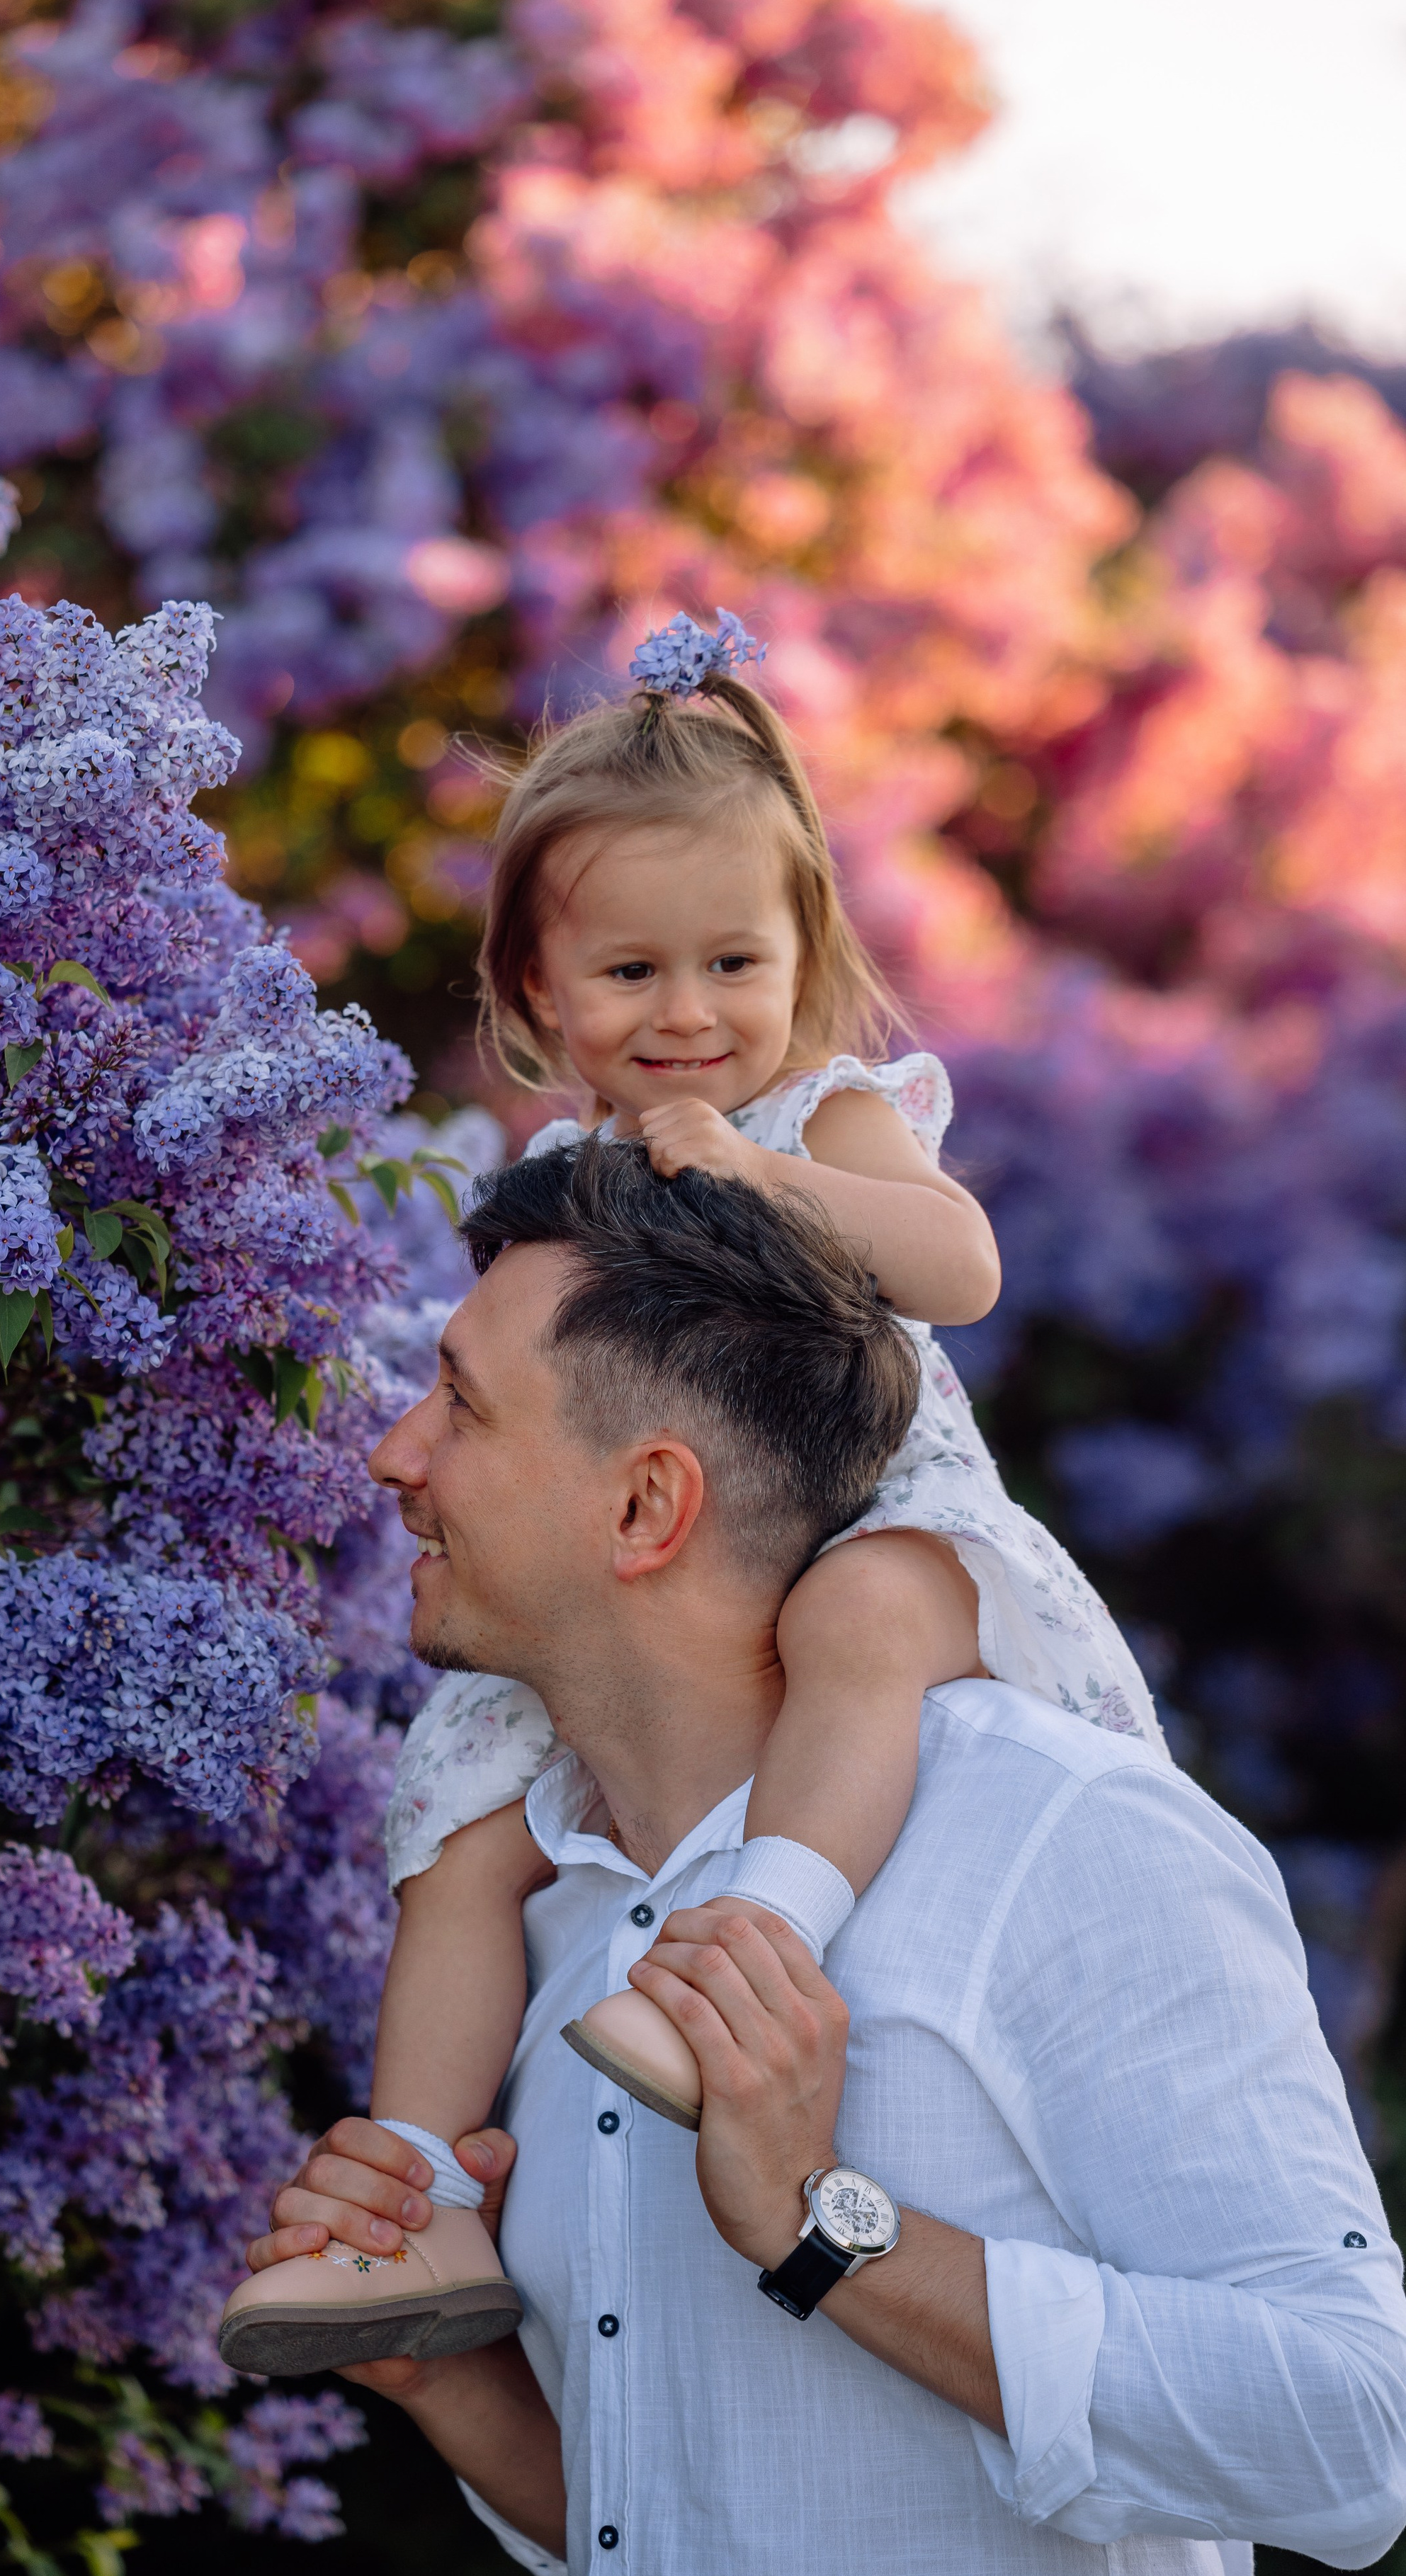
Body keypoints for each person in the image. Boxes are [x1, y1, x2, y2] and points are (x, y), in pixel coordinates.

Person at [238, 1141, 1406, 2576]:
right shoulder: (557, 1915)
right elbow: (676, 2538)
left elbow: (1348, 2428)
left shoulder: (1060, 1829)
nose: (393, 1455)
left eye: (458, 1402)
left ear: (648, 1504)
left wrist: (820, 2225)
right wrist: (442, 2379)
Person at [221, 608, 1162, 2376]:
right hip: (645, 1580)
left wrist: (758, 1173)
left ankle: (751, 1936)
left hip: (868, 1519)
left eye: (731, 963)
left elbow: (954, 1263)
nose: (688, 1016)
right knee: (459, 1820)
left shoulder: (821, 1111)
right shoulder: (558, 1171)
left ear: (799, 960)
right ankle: (414, 2196)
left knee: (857, 1612)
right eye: (630, 975)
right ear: (533, 999)